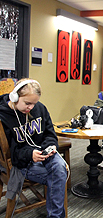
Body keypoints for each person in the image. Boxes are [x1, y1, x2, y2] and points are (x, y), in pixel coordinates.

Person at [0, 78, 67, 218]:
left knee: (59, 168)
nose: (31, 108)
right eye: (27, 103)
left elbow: (50, 134)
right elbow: (12, 154)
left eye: (34, 104)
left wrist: (50, 146)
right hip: (22, 162)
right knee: (58, 176)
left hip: (42, 154)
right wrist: (30, 154)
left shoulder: (40, 108)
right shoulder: (4, 116)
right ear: (15, 96)